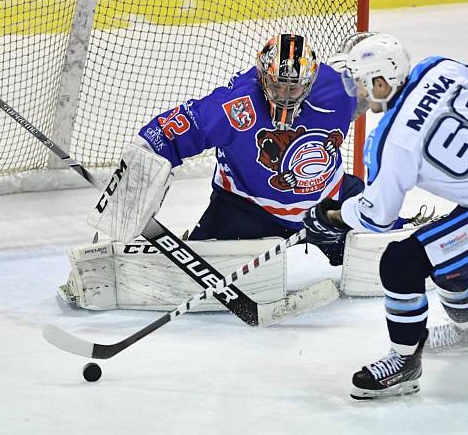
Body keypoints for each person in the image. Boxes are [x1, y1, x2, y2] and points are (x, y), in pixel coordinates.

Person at [302, 32, 468, 399]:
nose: (354, 91)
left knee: (401, 262)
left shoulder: (391, 141)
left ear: (380, 81)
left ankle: (404, 363)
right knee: (449, 259)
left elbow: (377, 217)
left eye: (357, 82)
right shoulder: (443, 68)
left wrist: (334, 216)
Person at [134, 33, 366, 265]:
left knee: (378, 255)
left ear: (310, 82)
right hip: (247, 210)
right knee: (194, 275)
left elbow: (382, 85)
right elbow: (176, 129)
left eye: (293, 88)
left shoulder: (339, 88)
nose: (284, 96)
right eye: (277, 86)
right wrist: (144, 153)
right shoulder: (236, 106)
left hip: (326, 207)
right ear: (263, 77)